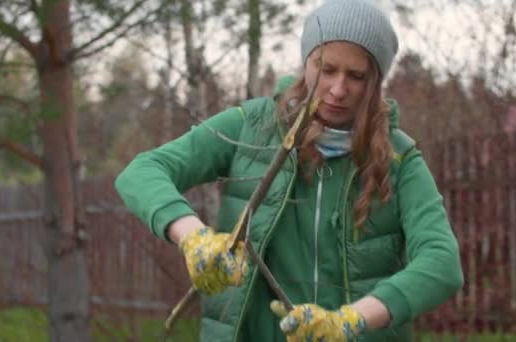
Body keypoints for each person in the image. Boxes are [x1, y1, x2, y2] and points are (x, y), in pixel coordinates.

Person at [115, 0, 464, 341]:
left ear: (375, 81)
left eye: (356, 76)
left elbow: (442, 263)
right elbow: (142, 172)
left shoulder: (399, 159)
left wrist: (352, 321)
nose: (338, 89)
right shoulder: (252, 127)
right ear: (306, 63)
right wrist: (193, 237)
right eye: (326, 69)